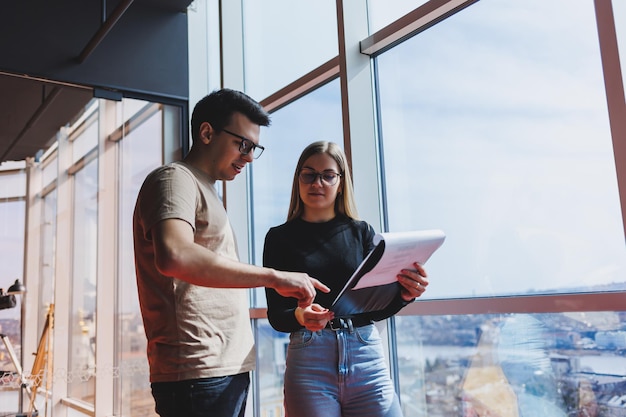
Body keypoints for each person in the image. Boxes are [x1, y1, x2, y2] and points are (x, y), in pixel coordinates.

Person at [133, 88, 329, 417]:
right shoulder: (174, 180)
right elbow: (175, 255)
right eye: (244, 144)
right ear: (207, 132)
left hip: (217, 369)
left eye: (255, 148)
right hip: (198, 372)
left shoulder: (203, 188)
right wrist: (274, 277)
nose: (250, 157)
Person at [263, 141, 429, 417]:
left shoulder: (362, 233)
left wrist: (404, 295)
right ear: (298, 179)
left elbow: (374, 309)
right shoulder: (279, 238)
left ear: (341, 182)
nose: (318, 182)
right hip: (309, 361)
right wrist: (301, 316)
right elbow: (277, 316)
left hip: (366, 355)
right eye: (309, 174)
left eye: (328, 175)